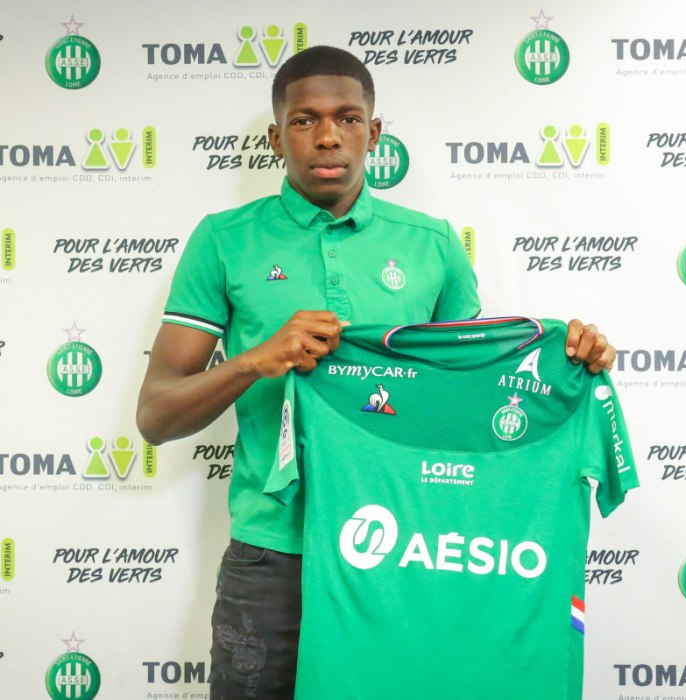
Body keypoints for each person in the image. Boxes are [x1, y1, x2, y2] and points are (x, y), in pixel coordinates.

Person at [136, 45, 615, 700]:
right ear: (275, 138)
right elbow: (156, 417)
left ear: (374, 131)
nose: (327, 136)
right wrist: (254, 360)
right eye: (303, 120)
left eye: (348, 118)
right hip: (273, 556)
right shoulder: (224, 239)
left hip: (408, 548)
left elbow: (472, 399)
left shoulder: (432, 244)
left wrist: (568, 363)